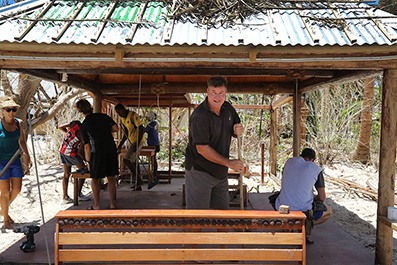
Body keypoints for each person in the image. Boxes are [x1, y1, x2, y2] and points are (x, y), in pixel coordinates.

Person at [185, 76, 245, 210]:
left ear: (225, 93)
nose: (217, 97)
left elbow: (236, 127)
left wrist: (237, 130)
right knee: (197, 218)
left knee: (222, 217)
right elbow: (202, 149)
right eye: (213, 92)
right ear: (207, 92)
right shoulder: (200, 116)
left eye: (221, 93)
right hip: (200, 171)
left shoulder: (228, 108)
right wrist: (229, 163)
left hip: (220, 172)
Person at [275, 148, 332, 244]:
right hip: (302, 211)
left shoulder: (289, 162)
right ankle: (302, 229)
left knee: (282, 197)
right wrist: (313, 198)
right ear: (313, 160)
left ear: (301, 155)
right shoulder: (316, 169)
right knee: (328, 211)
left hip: (280, 207)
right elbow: (322, 198)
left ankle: (289, 226)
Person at [76, 99, 118, 210]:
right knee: (111, 177)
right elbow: (116, 128)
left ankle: (97, 205)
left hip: (97, 151)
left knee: (94, 178)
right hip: (110, 148)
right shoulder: (103, 117)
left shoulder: (84, 125)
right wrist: (105, 131)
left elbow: (87, 146)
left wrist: (89, 161)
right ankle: (112, 203)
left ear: (80, 111)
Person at [0, 97, 32, 229]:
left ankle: (3, 210)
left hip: (15, 159)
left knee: (17, 189)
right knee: (5, 192)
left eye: (13, 109)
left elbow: (22, 141)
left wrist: (28, 157)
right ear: (2, 110)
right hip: (1, 161)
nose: (11, 112)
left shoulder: (19, 123)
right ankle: (6, 221)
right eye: (8, 110)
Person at [58, 120, 90, 204]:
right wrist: (87, 160)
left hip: (62, 150)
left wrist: (68, 133)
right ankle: (78, 194)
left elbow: (60, 126)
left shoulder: (75, 123)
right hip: (70, 152)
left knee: (66, 174)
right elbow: (79, 153)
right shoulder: (82, 135)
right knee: (84, 171)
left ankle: (65, 197)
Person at [115, 104, 145, 191]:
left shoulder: (133, 115)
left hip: (138, 140)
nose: (119, 114)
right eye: (117, 113)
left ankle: (139, 180)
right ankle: (138, 185)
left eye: (119, 111)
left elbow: (142, 129)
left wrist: (137, 144)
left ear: (123, 109)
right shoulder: (123, 119)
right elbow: (126, 134)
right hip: (132, 141)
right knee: (135, 162)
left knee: (126, 160)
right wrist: (120, 144)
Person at [144, 110, 160, 189]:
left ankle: (154, 176)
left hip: (152, 144)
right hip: (156, 143)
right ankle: (155, 174)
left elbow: (144, 131)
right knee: (154, 159)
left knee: (152, 160)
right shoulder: (155, 124)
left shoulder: (150, 125)